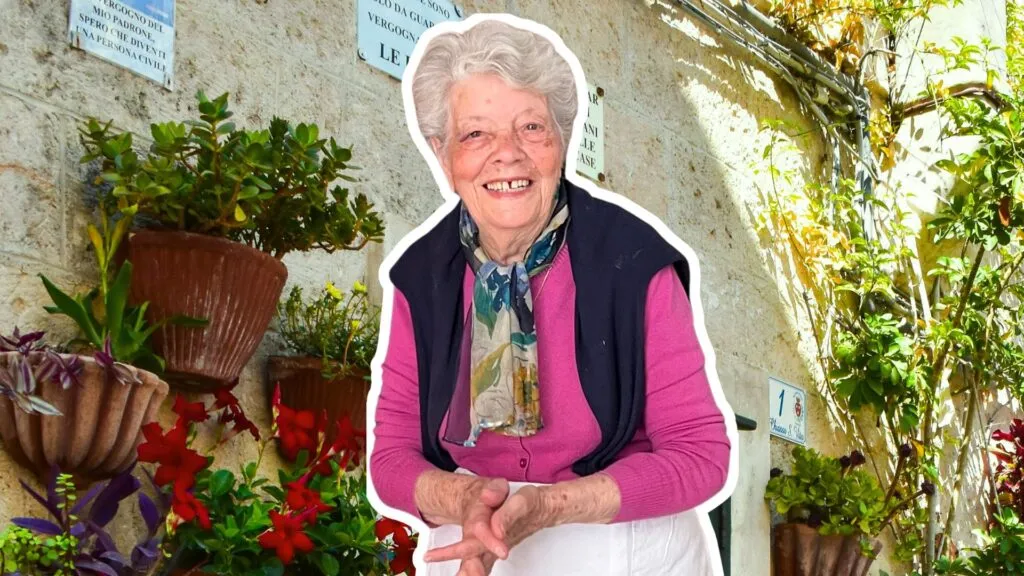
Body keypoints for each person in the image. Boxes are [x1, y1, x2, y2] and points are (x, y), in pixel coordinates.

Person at [368, 15, 734, 576]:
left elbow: (700, 454)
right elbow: (392, 458)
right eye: (475, 134)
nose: (507, 154)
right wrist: (466, 500)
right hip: (475, 547)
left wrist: (551, 506)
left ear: (561, 141)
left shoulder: (632, 260)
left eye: (532, 127)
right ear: (443, 155)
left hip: (622, 545)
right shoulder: (422, 277)